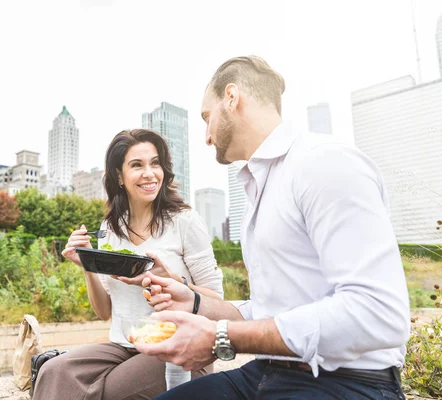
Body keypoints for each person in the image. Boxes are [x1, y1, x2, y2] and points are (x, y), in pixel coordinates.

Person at [135, 55, 410, 400]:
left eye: (207, 117)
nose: (206, 136)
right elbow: (270, 311)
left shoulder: (323, 163)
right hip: (268, 371)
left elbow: (378, 312)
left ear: (232, 98)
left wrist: (222, 336)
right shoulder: (261, 185)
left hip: (346, 383)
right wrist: (193, 301)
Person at [32, 129, 224, 400]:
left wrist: (172, 280)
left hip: (181, 348)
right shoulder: (111, 228)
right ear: (119, 176)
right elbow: (104, 311)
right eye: (137, 165)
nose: (150, 173)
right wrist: (88, 263)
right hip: (125, 346)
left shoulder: (184, 220)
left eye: (155, 163)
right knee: (52, 371)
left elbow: (218, 300)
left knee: (114, 391)